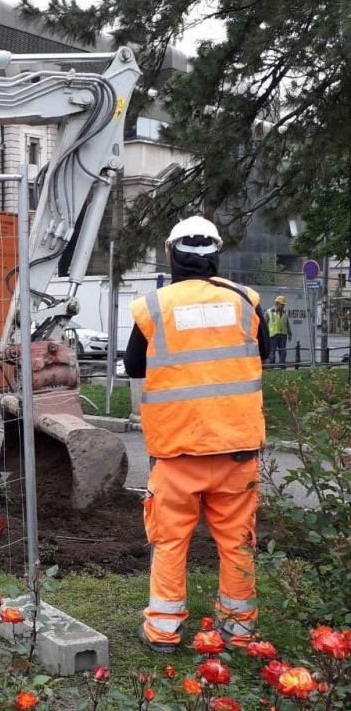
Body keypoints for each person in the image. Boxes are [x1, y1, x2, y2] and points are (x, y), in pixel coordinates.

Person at [124, 215, 269, 654]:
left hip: (178, 450)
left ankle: (163, 633)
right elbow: (262, 355)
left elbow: (133, 366)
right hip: (236, 449)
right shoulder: (246, 301)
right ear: (216, 256)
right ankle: (239, 631)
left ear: (171, 254)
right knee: (237, 542)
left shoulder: (153, 306)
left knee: (170, 541)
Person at [266, 296, 292, 364]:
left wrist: (290, 334)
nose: (283, 306)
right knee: (272, 352)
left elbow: (287, 324)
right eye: (282, 304)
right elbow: (265, 324)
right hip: (273, 336)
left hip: (283, 335)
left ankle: (282, 366)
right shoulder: (269, 312)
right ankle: (272, 366)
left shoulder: (284, 313)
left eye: (284, 305)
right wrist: (265, 335)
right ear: (277, 303)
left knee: (283, 352)